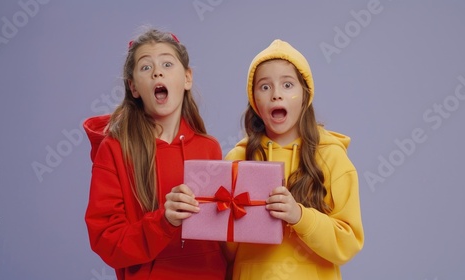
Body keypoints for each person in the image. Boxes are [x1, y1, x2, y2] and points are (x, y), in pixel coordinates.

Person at [83, 28, 227, 280]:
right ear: (134, 87)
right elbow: (107, 241)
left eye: (167, 63)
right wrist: (164, 222)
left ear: (187, 78)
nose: (157, 71)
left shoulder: (209, 147)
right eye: (146, 67)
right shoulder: (115, 150)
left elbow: (220, 232)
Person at [224, 39, 364, 279]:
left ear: (304, 96)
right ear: (254, 99)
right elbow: (225, 251)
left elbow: (347, 243)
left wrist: (299, 216)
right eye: (265, 87)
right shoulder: (237, 159)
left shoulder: (331, 156)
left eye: (287, 85)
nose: (276, 95)